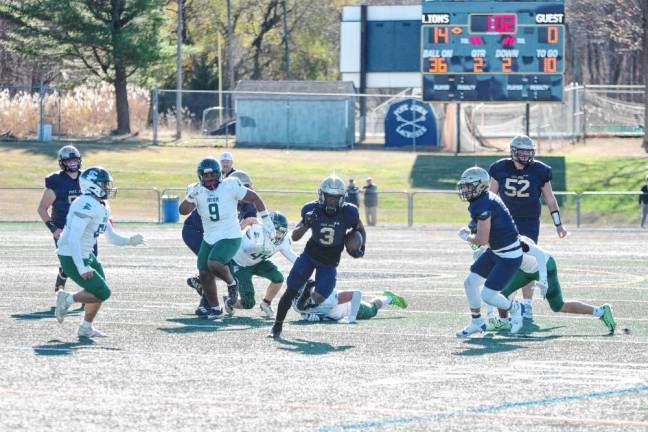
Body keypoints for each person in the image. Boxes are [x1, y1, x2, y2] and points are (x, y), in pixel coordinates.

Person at [269, 175, 366, 339]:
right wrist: (306, 223)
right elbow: (295, 236)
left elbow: (359, 228)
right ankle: (277, 326)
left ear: (342, 198)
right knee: (290, 291)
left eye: (335, 198)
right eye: (328, 197)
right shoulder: (311, 209)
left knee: (320, 297)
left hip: (330, 261)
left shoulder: (350, 212)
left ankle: (309, 289)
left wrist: (361, 247)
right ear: (321, 195)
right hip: (310, 256)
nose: (331, 201)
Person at [179, 157, 275, 320]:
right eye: (206, 176)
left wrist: (266, 220)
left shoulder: (230, 186)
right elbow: (183, 211)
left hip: (230, 235)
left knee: (214, 262)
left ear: (220, 175)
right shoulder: (196, 190)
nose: (210, 179)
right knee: (204, 271)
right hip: (208, 237)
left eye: (213, 175)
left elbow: (254, 198)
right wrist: (190, 197)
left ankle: (232, 284)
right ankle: (214, 308)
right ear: (200, 176)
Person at [54, 167, 145, 338]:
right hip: (72, 255)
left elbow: (111, 237)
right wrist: (81, 267)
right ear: (91, 185)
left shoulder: (101, 204)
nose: (107, 187)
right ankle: (66, 299)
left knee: (99, 292)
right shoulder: (85, 203)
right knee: (103, 292)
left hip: (86, 253)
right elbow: (73, 238)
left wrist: (130, 241)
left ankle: (85, 328)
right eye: (103, 183)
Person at [488, 135, 567, 320]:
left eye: (528, 151)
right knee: (502, 260)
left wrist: (559, 225)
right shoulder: (499, 167)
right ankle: (504, 302)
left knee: (527, 262)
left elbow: (550, 199)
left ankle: (527, 304)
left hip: (529, 222)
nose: (525, 154)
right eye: (521, 150)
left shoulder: (540, 170)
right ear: (513, 151)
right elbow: (491, 197)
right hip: (504, 221)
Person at [481, 236, 617, 335]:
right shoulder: (495, 242)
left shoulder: (512, 240)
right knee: (501, 295)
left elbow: (539, 254)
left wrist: (544, 280)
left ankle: (601, 311)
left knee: (558, 306)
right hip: (525, 270)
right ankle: (504, 322)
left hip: (544, 266)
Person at [456, 166, 525, 336]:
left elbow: (482, 240)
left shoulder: (482, 204)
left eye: (468, 186)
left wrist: (466, 236)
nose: (465, 189)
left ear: (480, 185)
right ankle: (477, 322)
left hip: (508, 255)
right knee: (470, 283)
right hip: (497, 251)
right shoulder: (484, 199)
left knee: (488, 295)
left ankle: (516, 308)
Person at [183, 170, 257, 297]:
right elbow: (227, 229)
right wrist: (243, 224)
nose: (246, 191)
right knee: (215, 263)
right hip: (195, 231)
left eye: (248, 187)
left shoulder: (248, 204)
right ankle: (207, 301)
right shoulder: (223, 197)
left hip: (217, 234)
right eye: (245, 187)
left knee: (219, 263)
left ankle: (201, 284)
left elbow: (251, 225)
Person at [224, 211, 298, 318]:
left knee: (278, 278)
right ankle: (229, 301)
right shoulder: (257, 233)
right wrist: (251, 230)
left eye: (282, 232)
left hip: (258, 262)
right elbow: (244, 246)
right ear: (268, 227)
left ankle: (266, 303)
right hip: (240, 265)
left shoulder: (282, 241)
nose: (279, 235)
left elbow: (292, 256)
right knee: (248, 303)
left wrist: (307, 265)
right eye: (276, 230)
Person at [37, 145, 88, 292]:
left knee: (88, 261)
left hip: (85, 228)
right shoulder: (56, 181)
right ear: (62, 162)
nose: (73, 163)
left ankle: (88, 293)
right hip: (64, 229)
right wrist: (53, 229)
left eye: (75, 160)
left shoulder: (86, 178)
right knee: (69, 263)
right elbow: (41, 209)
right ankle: (62, 278)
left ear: (80, 160)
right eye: (68, 160)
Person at [294, 282, 407, 323]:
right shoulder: (295, 303)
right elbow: (303, 310)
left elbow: (356, 293)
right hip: (335, 315)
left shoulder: (329, 298)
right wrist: (307, 316)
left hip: (348, 309)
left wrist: (351, 318)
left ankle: (388, 297)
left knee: (372, 310)